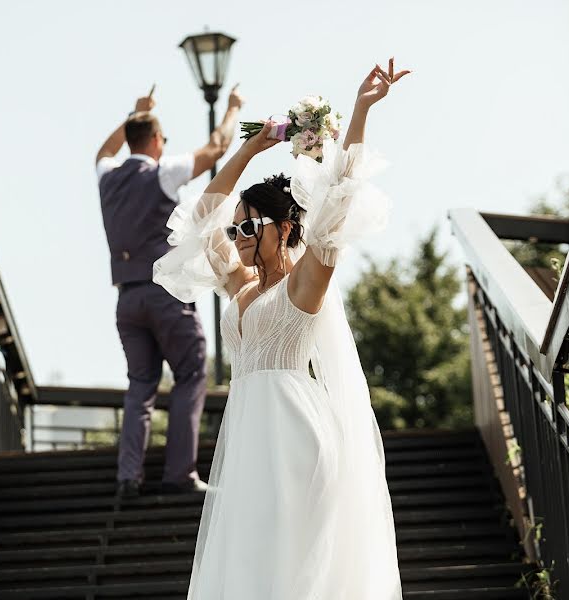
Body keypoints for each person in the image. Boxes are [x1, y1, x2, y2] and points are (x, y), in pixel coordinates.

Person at [153, 59, 410, 598]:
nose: (240, 235)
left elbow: (337, 205)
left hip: (297, 439)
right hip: (248, 442)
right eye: (239, 225)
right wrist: (248, 149)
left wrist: (360, 111)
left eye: (252, 225)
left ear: (287, 227)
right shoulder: (240, 286)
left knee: (290, 573)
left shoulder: (303, 287)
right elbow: (202, 219)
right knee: (251, 571)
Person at [96, 85, 244, 500]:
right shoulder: (162, 171)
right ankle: (179, 474)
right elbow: (216, 148)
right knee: (192, 372)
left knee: (140, 383)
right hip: (165, 294)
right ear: (158, 141)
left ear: (129, 138)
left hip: (126, 298)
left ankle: (129, 476)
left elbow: (102, 152)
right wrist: (233, 108)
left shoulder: (106, 176)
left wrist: (135, 113)